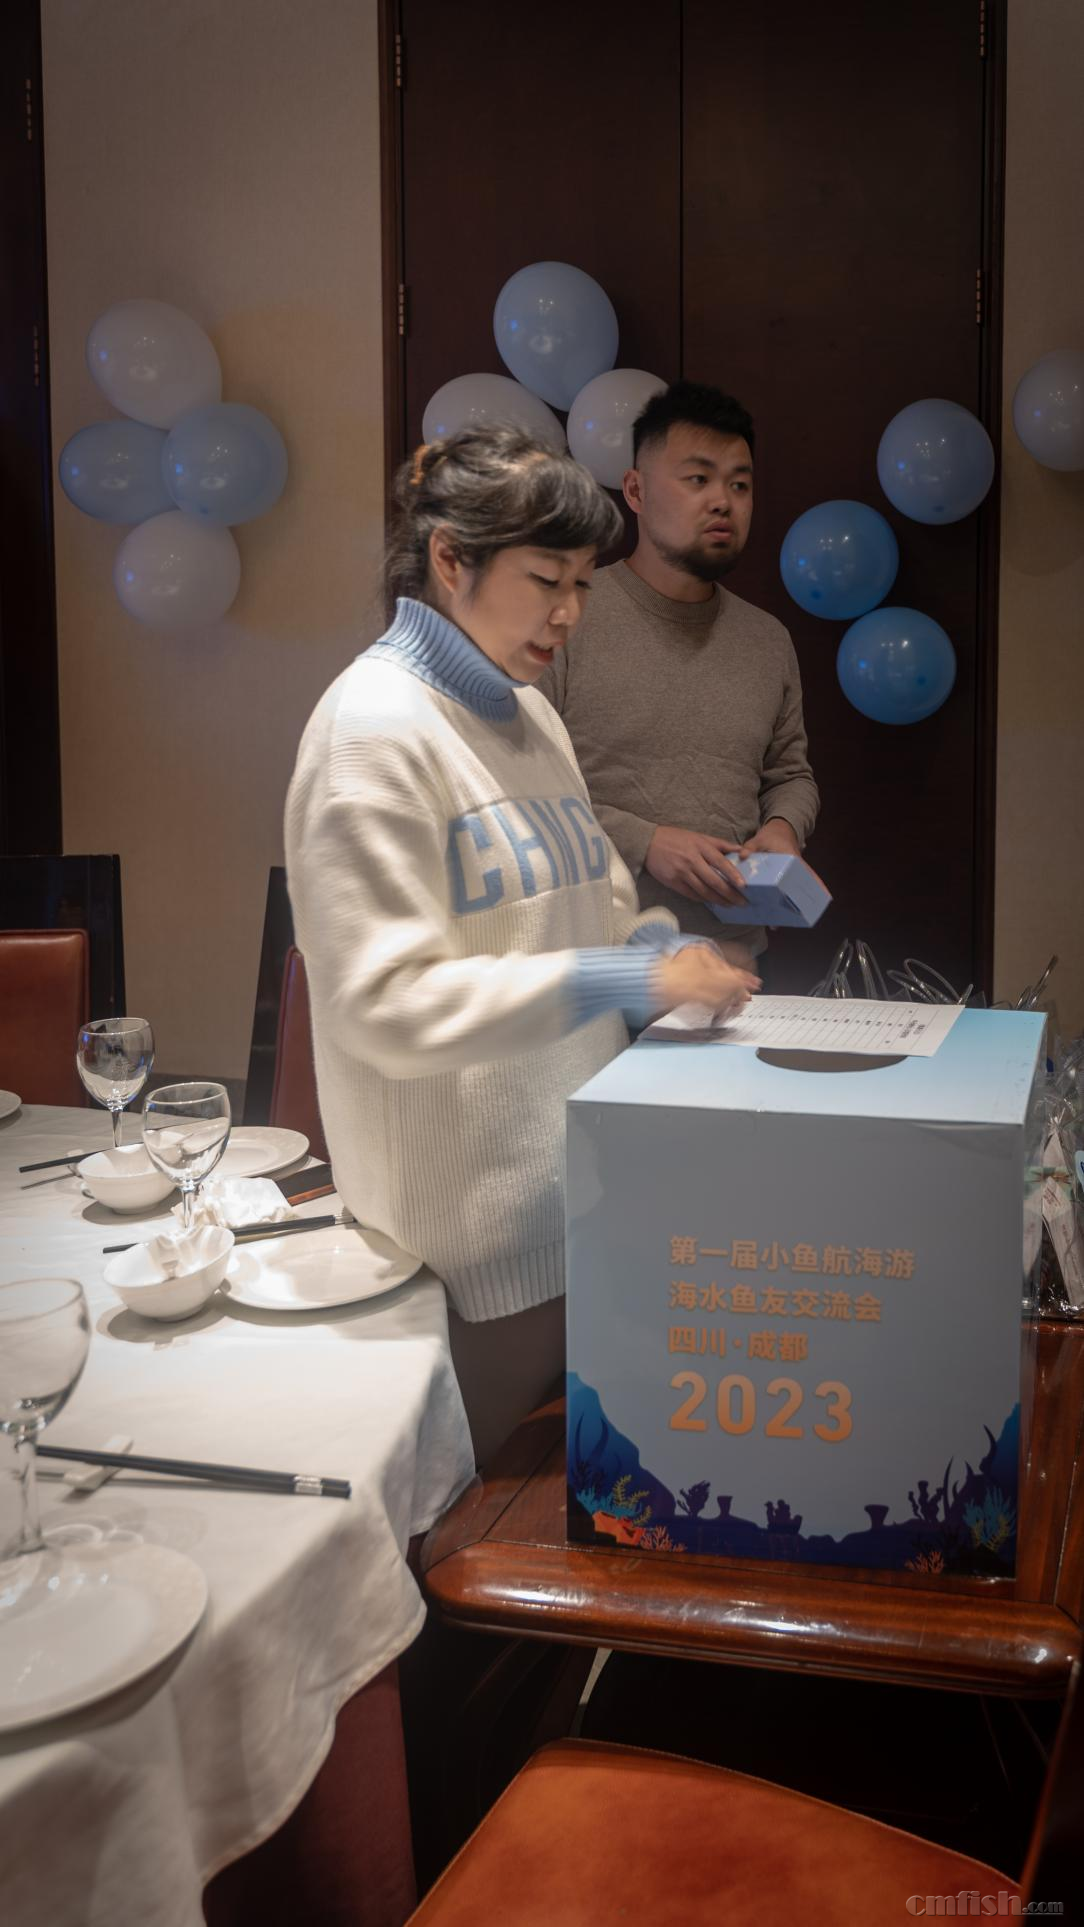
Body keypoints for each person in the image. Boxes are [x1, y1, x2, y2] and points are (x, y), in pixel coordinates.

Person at [285, 426, 758, 1465]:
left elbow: (597, 910)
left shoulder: (531, 716)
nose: (569, 613)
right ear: (450, 558)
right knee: (481, 1522)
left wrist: (668, 960)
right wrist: (628, 975)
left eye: (583, 583)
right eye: (546, 579)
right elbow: (387, 1004)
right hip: (464, 1252)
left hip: (581, 1202)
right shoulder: (371, 730)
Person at [537, 380, 820, 969]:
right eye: (698, 479)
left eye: (739, 484)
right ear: (635, 491)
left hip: (730, 964)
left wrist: (782, 828)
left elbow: (790, 774)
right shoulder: (566, 618)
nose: (723, 501)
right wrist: (645, 843)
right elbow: (520, 790)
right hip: (594, 965)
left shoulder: (767, 640)